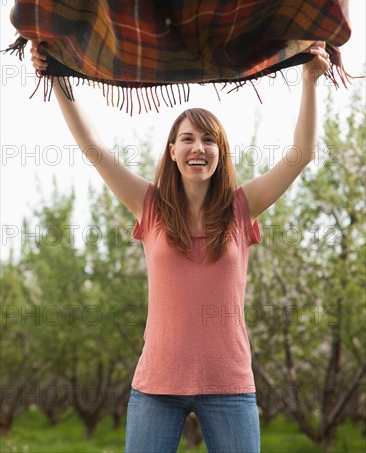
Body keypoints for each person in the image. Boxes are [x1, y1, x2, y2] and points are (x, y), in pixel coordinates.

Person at [31, 41, 330, 453]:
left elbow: (301, 155)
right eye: (187, 139)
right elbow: (93, 148)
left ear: (219, 153)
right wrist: (60, 76)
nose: (198, 148)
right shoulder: (149, 206)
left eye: (209, 140)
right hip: (157, 386)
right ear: (172, 152)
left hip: (228, 384)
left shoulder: (242, 208)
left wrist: (310, 80)